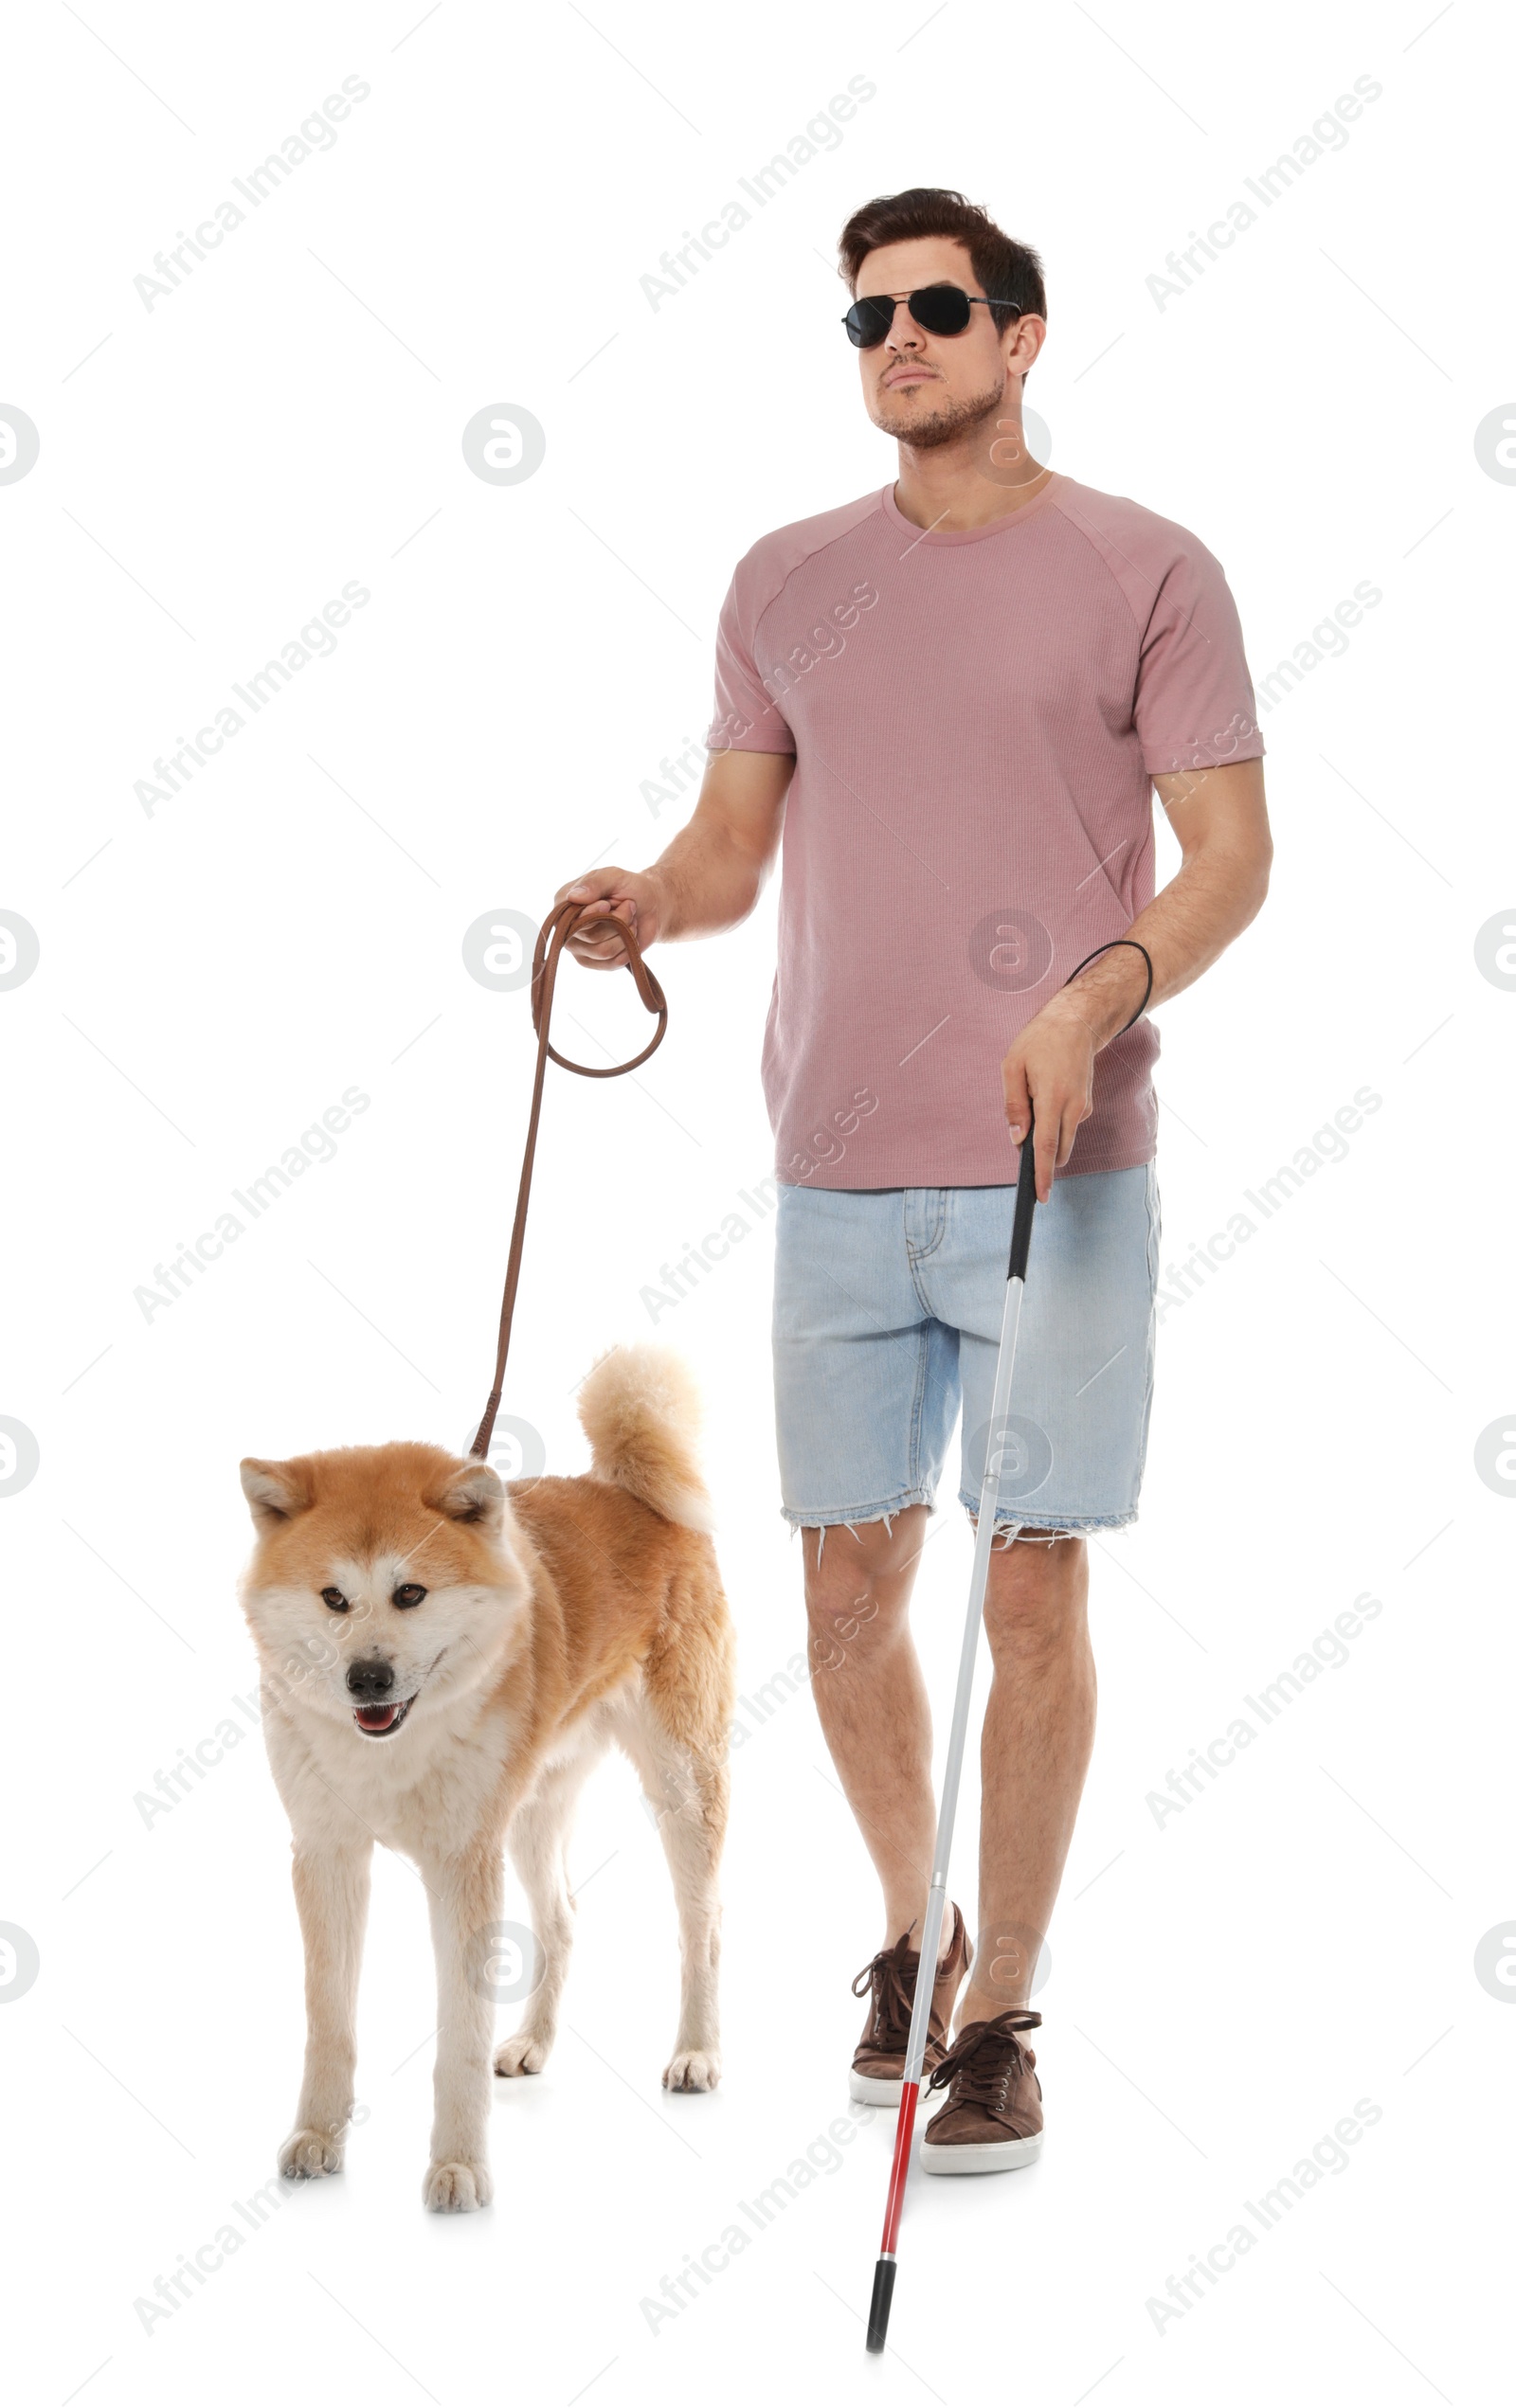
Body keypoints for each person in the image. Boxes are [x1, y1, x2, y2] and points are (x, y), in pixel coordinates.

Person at [555, 186, 1271, 2174]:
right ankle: (908, 1931)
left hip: (1063, 1162)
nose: (896, 339)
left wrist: (1090, 1000)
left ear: (1020, 334)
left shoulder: (1147, 569)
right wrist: (641, 907)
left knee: (1028, 1585)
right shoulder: (787, 577)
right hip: (834, 1168)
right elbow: (723, 846)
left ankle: (1004, 2013)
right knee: (842, 1589)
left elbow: (1227, 859)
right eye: (865, 315)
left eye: (936, 307)